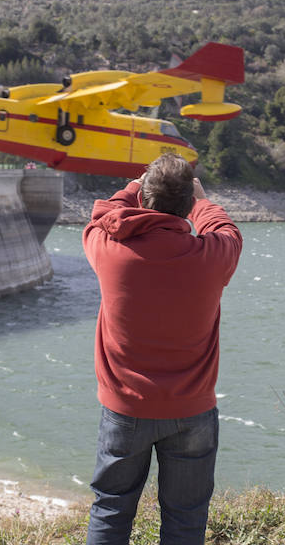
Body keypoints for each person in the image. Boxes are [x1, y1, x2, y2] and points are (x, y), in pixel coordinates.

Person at [82, 153, 243, 545]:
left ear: (143, 200)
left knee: (111, 508)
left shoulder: (108, 251)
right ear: (187, 203)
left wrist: (134, 185)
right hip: (192, 411)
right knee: (186, 516)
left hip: (125, 408)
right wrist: (201, 201)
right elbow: (226, 228)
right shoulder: (211, 256)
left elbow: (103, 214)